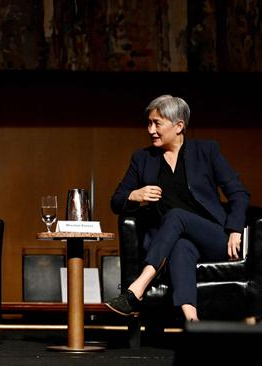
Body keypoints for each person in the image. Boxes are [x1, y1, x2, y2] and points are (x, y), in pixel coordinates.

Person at [105, 94, 250, 321]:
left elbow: (239, 193)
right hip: (170, 241)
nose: (150, 130)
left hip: (212, 236)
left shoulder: (207, 151)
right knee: (181, 246)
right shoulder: (142, 158)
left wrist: (234, 229)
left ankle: (137, 289)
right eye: (149, 123)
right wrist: (135, 195)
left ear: (179, 126)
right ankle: (193, 322)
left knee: (177, 216)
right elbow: (116, 201)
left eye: (157, 124)